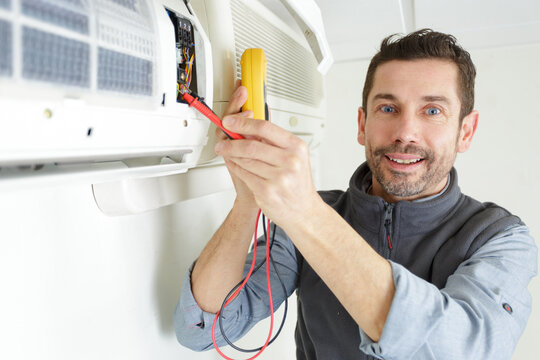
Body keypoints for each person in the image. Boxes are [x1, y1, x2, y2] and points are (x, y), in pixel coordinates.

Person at [174, 29, 537, 359]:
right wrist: (249, 198)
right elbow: (202, 329)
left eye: (432, 110)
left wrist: (307, 215)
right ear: (363, 125)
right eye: (388, 108)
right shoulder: (308, 215)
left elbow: (458, 350)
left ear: (466, 132)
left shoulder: (502, 239)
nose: (406, 132)